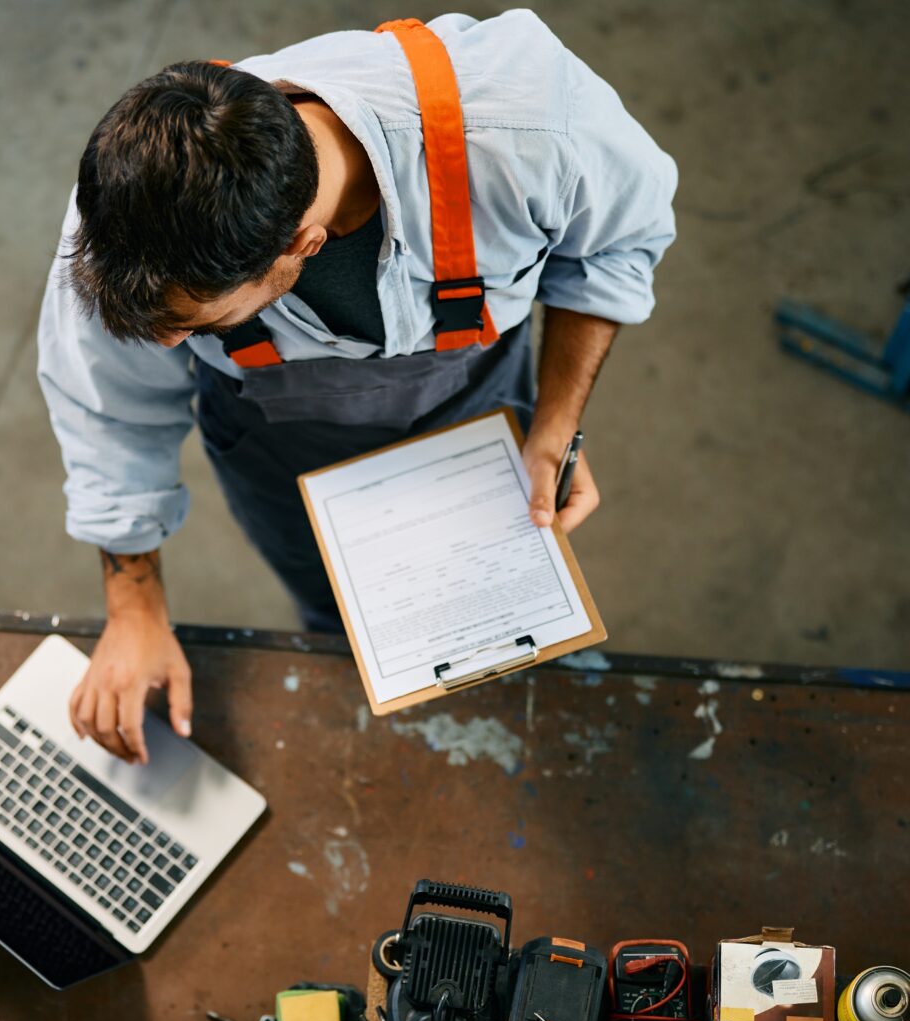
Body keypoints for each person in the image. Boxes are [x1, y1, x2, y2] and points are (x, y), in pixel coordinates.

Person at [37, 11, 677, 764]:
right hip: (279, 451)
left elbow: (614, 247)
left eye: (199, 327)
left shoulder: (531, 127)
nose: (171, 346)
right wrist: (133, 607)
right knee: (341, 626)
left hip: (474, 405)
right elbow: (105, 403)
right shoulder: (129, 210)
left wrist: (556, 423)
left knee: (497, 629)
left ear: (304, 247)